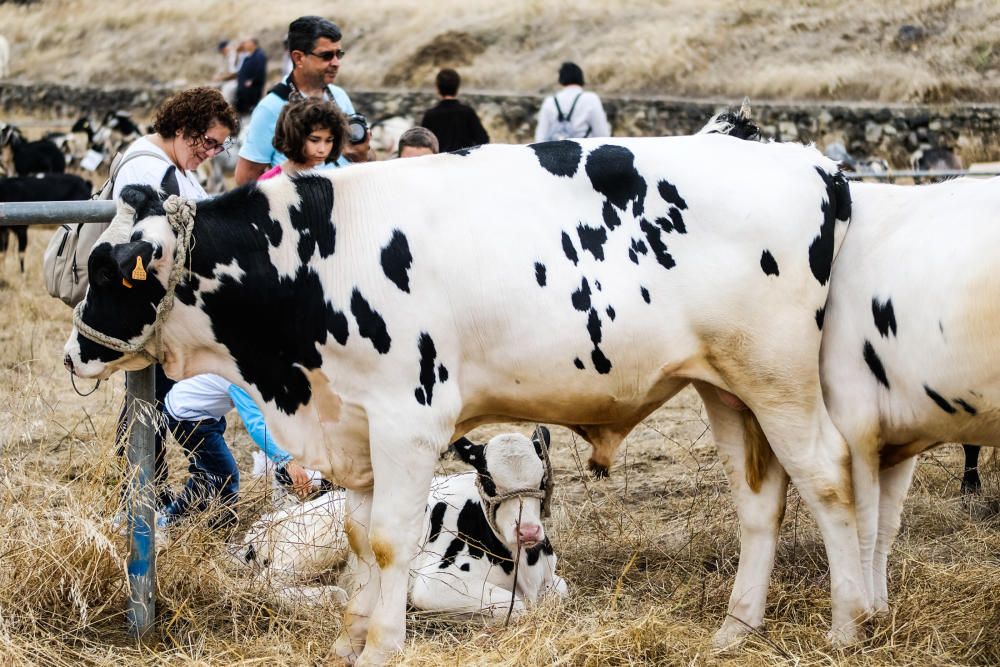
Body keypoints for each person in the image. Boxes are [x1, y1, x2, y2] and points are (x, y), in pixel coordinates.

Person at [111, 86, 238, 512]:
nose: (213, 153)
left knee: (153, 400)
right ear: (184, 129)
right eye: (210, 142)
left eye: (221, 145)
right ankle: (138, 502)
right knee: (148, 402)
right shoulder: (150, 169)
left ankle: (146, 497)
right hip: (155, 309)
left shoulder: (168, 164)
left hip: (168, 309)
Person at [160, 375, 329, 529]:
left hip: (197, 410)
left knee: (205, 474)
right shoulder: (244, 376)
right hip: (189, 416)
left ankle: (169, 519)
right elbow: (255, 425)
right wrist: (287, 461)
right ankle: (221, 532)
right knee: (226, 475)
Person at [235, 16, 370, 184]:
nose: (336, 63)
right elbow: (246, 179)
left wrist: (363, 154)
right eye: (326, 55)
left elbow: (364, 156)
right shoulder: (271, 107)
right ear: (298, 58)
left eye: (339, 54)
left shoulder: (339, 95)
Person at [259, 97, 348, 180]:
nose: (322, 149)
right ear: (295, 137)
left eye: (329, 140)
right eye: (314, 140)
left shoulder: (326, 181)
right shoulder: (269, 182)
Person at [534, 61, 611, 143]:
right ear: (581, 78)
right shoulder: (591, 98)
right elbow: (602, 133)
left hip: (556, 152)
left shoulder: (550, 101)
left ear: (560, 80)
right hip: (584, 152)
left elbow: (540, 136)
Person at [419, 68, 489, 153]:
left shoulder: (430, 115)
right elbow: (483, 140)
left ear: (437, 88)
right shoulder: (468, 112)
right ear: (457, 87)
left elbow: (422, 144)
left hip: (439, 164)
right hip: (463, 163)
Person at [235, 36, 268, 116]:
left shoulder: (259, 55)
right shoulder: (249, 55)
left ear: (253, 44)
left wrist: (252, 81)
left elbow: (260, 72)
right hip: (243, 92)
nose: (244, 45)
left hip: (252, 91)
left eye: (247, 43)